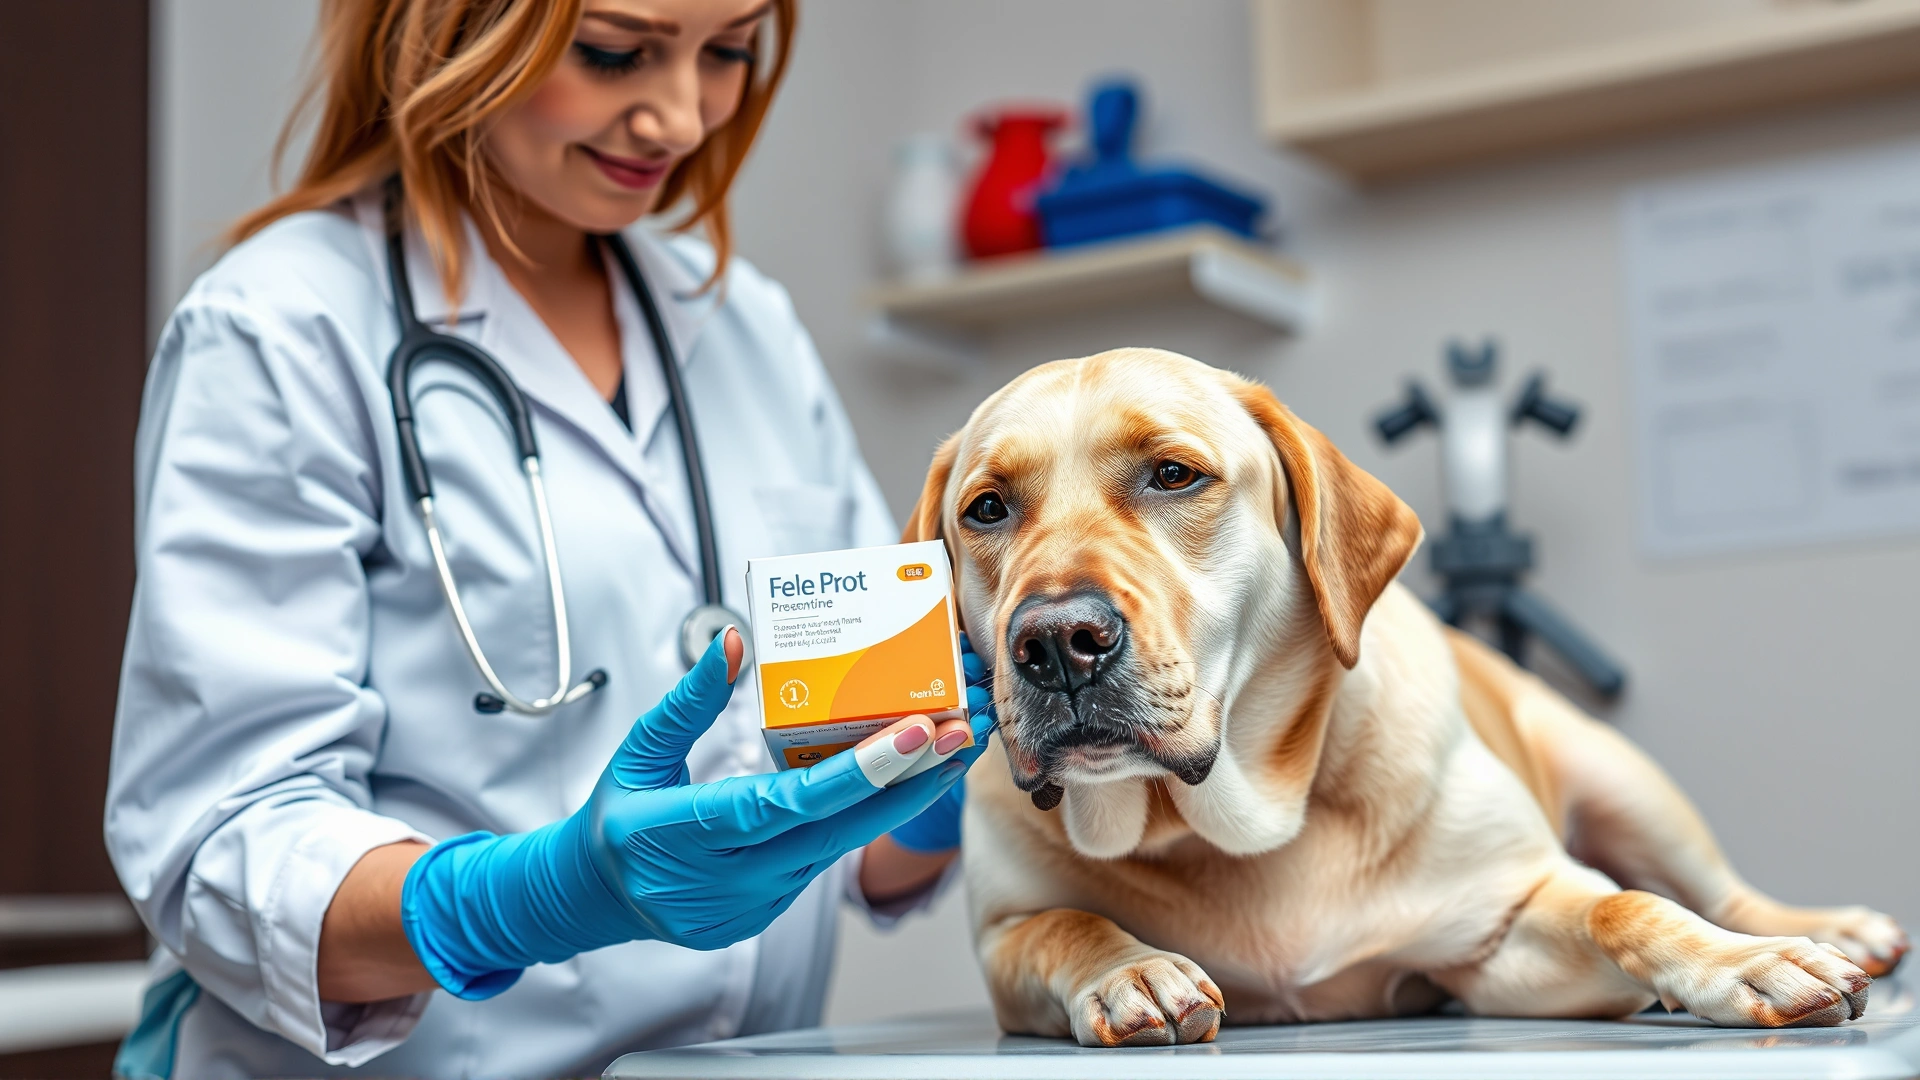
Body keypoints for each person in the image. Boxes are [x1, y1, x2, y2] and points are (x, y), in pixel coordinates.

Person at [104, 1, 988, 1076]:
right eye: (616, 52)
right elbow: (223, 852)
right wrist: (526, 901)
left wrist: (942, 784)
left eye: (728, 53)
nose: (677, 118)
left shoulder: (744, 324)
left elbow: (864, 842)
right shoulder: (283, 326)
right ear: (448, 28)